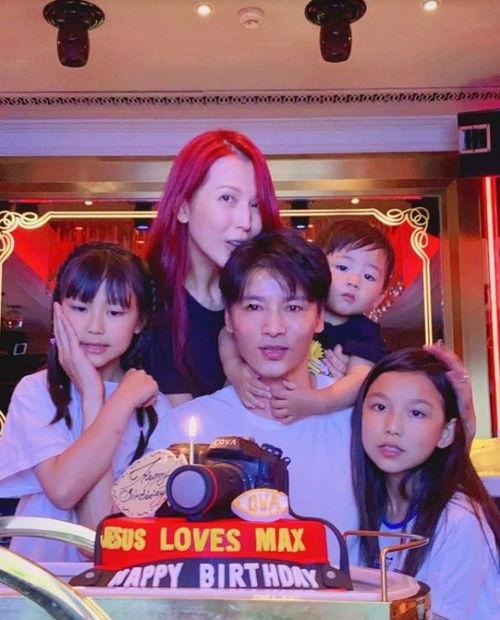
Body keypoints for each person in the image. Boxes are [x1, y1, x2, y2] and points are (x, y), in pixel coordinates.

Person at [0, 242, 172, 562]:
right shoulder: (36, 392)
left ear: (140, 321)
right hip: (39, 577)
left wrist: (108, 400)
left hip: (113, 581)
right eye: (80, 308)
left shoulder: (155, 407)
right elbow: (63, 489)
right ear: (58, 311)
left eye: (115, 312)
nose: (95, 327)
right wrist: (103, 397)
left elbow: (95, 538)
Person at [351, 348, 499, 619]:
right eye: (380, 407)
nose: (392, 426)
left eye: (416, 413)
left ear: (446, 433)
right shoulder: (358, 508)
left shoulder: (458, 521)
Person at [146, 129, 282, 405]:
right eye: (227, 198)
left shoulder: (272, 297)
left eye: (255, 204)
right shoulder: (147, 299)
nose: (246, 222)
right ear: (183, 207)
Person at [221, 219, 392, 422]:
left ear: (381, 296)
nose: (354, 281)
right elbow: (227, 334)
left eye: (369, 276)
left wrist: (316, 402)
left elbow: (359, 378)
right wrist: (235, 371)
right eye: (343, 267)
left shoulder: (364, 332)